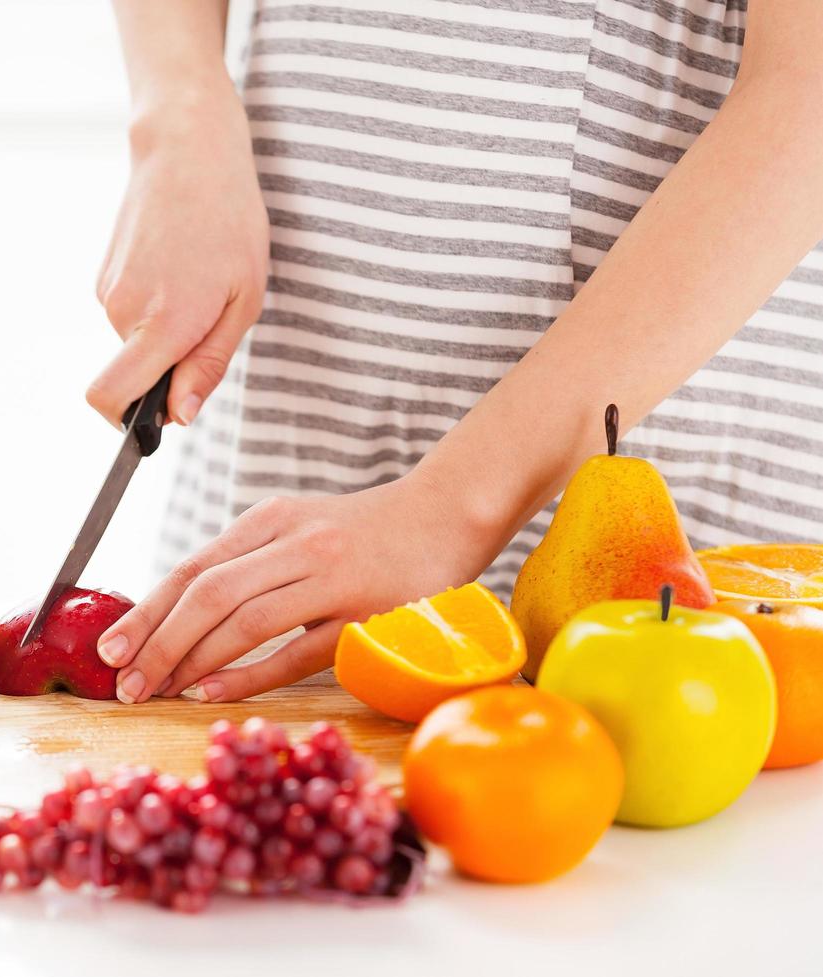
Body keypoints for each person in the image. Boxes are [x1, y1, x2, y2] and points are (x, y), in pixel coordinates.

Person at [88, 0, 823, 705]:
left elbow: (806, 86)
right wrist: (179, 120)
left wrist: (448, 510)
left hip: (638, 455)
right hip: (299, 389)